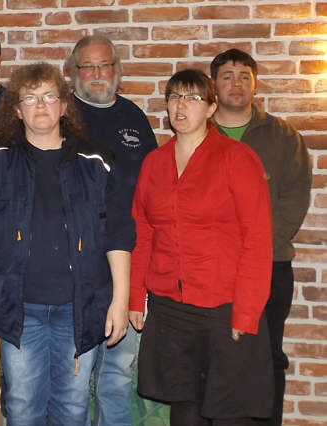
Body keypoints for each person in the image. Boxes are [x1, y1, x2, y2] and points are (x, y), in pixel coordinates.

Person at [0, 63, 134, 426]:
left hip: (79, 308)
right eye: (30, 98)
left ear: (64, 106)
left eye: (49, 96)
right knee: (23, 408)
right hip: (19, 309)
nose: (40, 105)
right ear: (17, 110)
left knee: (72, 408)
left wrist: (120, 301)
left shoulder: (96, 161)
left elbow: (117, 233)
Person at [129, 69, 274, 426]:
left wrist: (246, 312)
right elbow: (143, 234)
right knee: (184, 411)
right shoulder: (154, 163)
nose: (181, 106)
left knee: (228, 414)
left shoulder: (236, 158)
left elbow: (257, 239)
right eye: (175, 97)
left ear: (211, 108)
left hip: (223, 307)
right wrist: (135, 298)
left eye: (193, 98)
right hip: (170, 309)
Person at [210, 49, 311, 426]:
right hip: (212, 271)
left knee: (267, 357)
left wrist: (257, 250)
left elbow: (295, 198)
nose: (236, 83)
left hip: (270, 266)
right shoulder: (199, 134)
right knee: (214, 356)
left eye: (244, 76)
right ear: (214, 85)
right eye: (227, 76)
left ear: (255, 84)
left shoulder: (283, 136)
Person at [66, 34, 158, 426]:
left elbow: (153, 186)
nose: (97, 74)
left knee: (117, 376)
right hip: (77, 265)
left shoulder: (132, 117)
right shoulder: (60, 116)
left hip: (128, 261)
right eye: (88, 66)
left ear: (116, 70)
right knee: (74, 381)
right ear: (74, 72)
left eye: (104, 65)